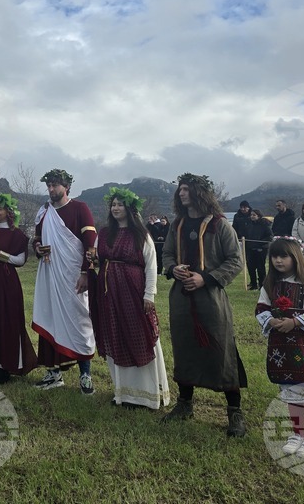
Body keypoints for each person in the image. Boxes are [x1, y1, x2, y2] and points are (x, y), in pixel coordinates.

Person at [162, 173, 248, 437]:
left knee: (221, 349)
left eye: (186, 189)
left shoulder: (220, 225)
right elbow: (166, 253)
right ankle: (185, 404)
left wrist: (206, 278)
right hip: (181, 298)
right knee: (184, 346)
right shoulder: (177, 224)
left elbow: (235, 260)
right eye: (180, 190)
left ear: (199, 192)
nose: (181, 193)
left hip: (210, 297)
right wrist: (173, 268)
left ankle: (234, 412)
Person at [255, 237, 304, 460]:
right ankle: (298, 434)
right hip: (281, 347)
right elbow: (261, 308)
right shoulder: (270, 285)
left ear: (295, 257)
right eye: (275, 256)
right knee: (290, 391)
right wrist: (270, 321)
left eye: (284, 256)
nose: (278, 260)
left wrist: (295, 322)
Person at [96, 187, 170, 410]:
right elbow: (99, 260)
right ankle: (124, 393)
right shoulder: (105, 232)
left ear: (129, 209)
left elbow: (151, 265)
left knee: (139, 336)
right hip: (110, 293)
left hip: (133, 291)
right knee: (116, 335)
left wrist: (150, 294)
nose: (116, 208)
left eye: (120, 204)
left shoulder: (141, 234)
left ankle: (146, 395)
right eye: (113, 205)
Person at [31, 169, 97, 395]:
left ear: (67, 186)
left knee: (79, 320)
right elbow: (37, 240)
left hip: (72, 276)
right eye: (48, 185)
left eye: (55, 185)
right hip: (49, 272)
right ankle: (53, 373)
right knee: (48, 316)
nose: (51, 189)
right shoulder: (44, 212)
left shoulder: (80, 209)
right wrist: (38, 249)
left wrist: (86, 272)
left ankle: (85, 375)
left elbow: (90, 244)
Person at [0, 193, 37, 384]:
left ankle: (8, 365)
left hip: (7, 280)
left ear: (9, 211)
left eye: (0, 209)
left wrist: (1, 255)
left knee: (7, 319)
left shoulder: (18, 235)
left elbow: (20, 260)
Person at [244, 209, 273, 291]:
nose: (252, 216)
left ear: (258, 216)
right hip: (250, 249)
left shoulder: (265, 224)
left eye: (254, 215)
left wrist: (260, 243)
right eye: (251, 215)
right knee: (250, 267)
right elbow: (246, 235)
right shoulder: (249, 225)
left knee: (260, 267)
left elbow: (270, 236)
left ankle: (262, 284)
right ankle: (253, 284)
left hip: (261, 249)